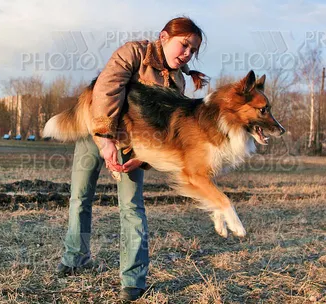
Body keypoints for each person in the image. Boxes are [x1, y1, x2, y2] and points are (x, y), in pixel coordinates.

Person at [56, 17, 208, 301]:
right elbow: (106, 88)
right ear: (163, 37)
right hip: (97, 129)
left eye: (192, 50)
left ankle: (133, 280)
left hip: (132, 145)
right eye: (184, 44)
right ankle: (75, 257)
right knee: (80, 196)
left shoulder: (177, 82)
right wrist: (104, 139)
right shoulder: (133, 52)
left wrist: (142, 158)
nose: (187, 53)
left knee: (132, 207)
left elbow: (163, 131)